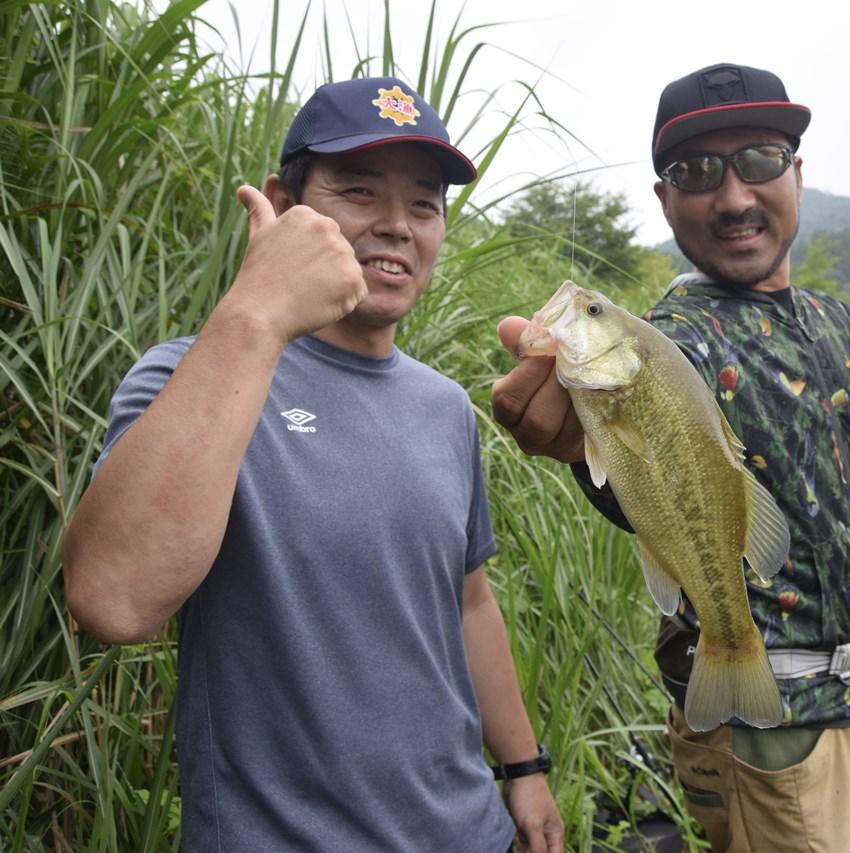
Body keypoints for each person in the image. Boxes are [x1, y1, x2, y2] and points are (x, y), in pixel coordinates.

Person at [490, 62, 850, 852]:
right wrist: (578, 443)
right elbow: (652, 486)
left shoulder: (830, 320)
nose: (733, 197)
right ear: (664, 199)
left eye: (760, 161)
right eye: (697, 172)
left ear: (798, 177)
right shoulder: (674, 339)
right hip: (768, 731)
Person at [61, 77, 563, 853]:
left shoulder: (444, 409)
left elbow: (468, 603)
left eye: (424, 204)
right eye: (359, 191)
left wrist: (524, 765)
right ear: (283, 202)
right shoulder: (188, 379)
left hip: (469, 831)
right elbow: (113, 599)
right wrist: (258, 308)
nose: (396, 225)